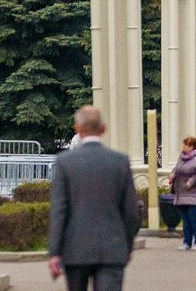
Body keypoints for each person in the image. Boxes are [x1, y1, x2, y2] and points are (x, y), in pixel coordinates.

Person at [45, 107, 140, 291]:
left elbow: (59, 210)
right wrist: (127, 246)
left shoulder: (65, 162)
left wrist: (54, 252)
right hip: (112, 249)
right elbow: (131, 212)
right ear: (103, 128)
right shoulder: (120, 161)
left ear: (78, 129)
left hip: (75, 250)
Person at [167, 135, 196, 250]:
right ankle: (187, 242)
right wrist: (173, 174)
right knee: (186, 220)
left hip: (194, 194)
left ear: (192, 147)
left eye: (186, 145)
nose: (184, 147)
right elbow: (177, 168)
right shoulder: (182, 157)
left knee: (195, 219)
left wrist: (191, 181)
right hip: (181, 194)